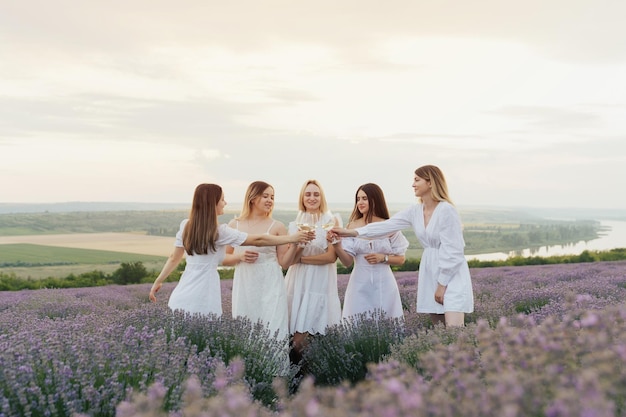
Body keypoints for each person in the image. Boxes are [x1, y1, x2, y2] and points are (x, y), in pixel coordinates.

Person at [331, 165, 474, 327]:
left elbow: (454, 252)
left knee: (454, 329)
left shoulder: (447, 210)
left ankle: (465, 353)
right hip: (430, 269)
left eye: (416, 180)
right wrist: (349, 233)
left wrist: (442, 285)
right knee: (439, 329)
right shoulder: (415, 211)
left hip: (450, 273)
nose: (413, 184)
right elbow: (386, 226)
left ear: (430, 183)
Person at [149, 183, 313, 316]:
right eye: (222, 200)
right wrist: (292, 238)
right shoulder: (221, 231)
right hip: (206, 294)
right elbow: (259, 239)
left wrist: (158, 280)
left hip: (182, 294)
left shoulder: (186, 225)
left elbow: (173, 258)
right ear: (212, 203)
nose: (225, 203)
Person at [221, 181, 291, 341]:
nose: (270, 200)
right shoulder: (234, 225)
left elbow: (284, 263)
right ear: (252, 198)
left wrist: (296, 246)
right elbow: (224, 258)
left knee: (273, 329)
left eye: (272, 197)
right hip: (245, 286)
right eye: (265, 196)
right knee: (245, 330)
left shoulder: (277, 226)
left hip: (271, 286)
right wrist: (239, 257)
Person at [332, 183, 409, 321]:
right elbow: (347, 262)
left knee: (387, 322)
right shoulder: (352, 226)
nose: (360, 202)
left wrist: (383, 258)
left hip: (384, 283)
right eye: (358, 199)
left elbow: (401, 259)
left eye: (364, 198)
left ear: (375, 200)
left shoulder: (389, 226)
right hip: (359, 283)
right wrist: (337, 246)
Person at [284, 179, 342, 362]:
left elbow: (331, 257)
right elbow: (289, 261)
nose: (312, 197)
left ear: (322, 197)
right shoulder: (295, 224)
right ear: (302, 197)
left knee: (308, 336)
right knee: (295, 339)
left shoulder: (331, 220)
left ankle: (316, 376)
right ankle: (301, 379)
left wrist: (302, 259)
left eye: (316, 194)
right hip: (298, 282)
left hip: (320, 281)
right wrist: (301, 245)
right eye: (308, 194)